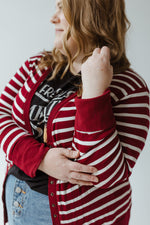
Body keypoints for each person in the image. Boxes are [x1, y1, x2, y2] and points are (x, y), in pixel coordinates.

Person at [0, 0, 149, 224]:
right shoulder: (37, 64)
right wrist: (39, 158)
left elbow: (102, 174)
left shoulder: (129, 87)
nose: (53, 18)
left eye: (63, 9)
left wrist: (94, 93)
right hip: (18, 202)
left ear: (90, 15)